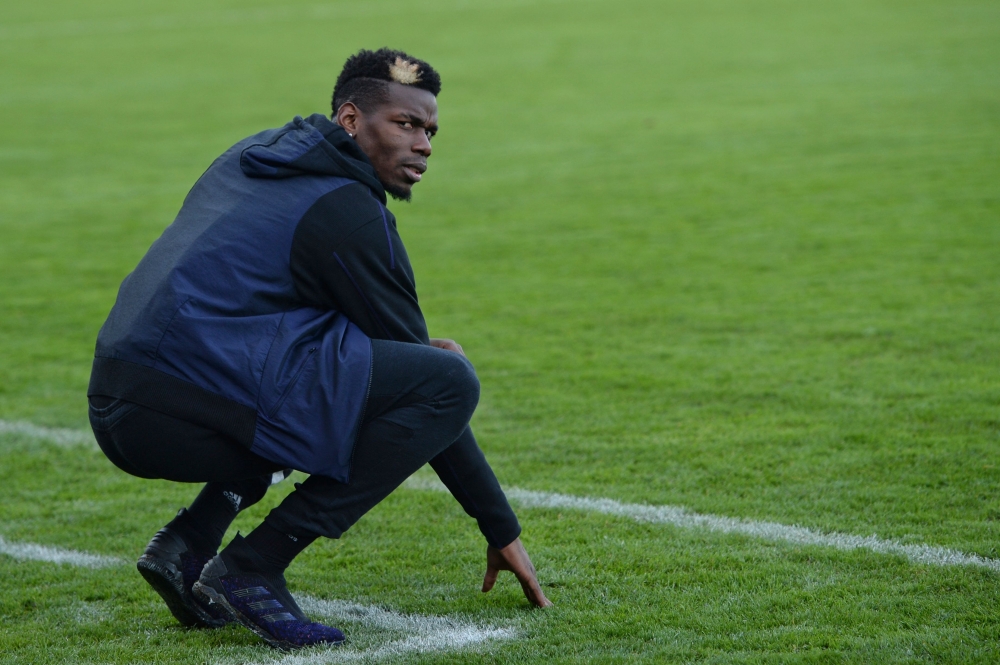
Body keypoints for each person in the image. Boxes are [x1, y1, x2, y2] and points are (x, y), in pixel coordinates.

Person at [87, 47, 551, 651]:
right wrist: (499, 523)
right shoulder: (347, 214)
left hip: (124, 390)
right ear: (352, 119)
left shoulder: (260, 152)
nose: (425, 144)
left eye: (431, 130)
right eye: (405, 124)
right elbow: (432, 385)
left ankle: (188, 542)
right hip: (182, 404)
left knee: (348, 373)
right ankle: (254, 565)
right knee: (447, 377)